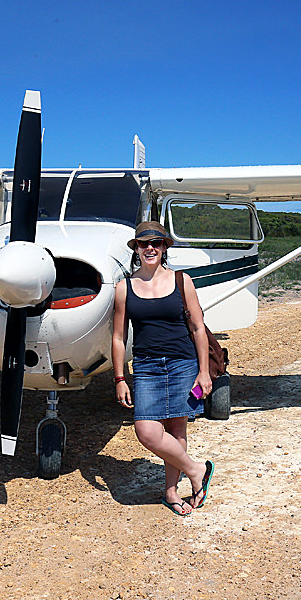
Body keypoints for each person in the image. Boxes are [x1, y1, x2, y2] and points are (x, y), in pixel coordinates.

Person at [111, 221, 215, 516]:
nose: (150, 248)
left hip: (183, 363)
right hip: (146, 367)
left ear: (165, 247)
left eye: (156, 243)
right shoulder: (124, 288)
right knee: (146, 431)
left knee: (177, 428)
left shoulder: (183, 281)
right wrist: (120, 377)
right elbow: (118, 338)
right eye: (144, 244)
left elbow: (197, 328)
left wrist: (203, 371)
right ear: (136, 249)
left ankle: (170, 492)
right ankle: (196, 471)